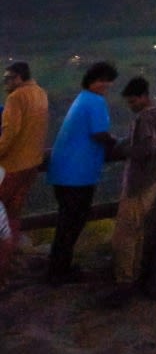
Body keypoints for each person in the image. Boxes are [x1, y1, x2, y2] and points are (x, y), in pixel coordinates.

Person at [47, 60, 118, 283]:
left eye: (108, 81)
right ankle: (59, 272)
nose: (106, 85)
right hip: (77, 173)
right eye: (103, 81)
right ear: (93, 81)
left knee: (67, 221)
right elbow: (99, 133)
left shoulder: (83, 99)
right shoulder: (95, 102)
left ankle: (59, 267)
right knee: (72, 221)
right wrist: (117, 143)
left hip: (64, 170)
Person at [106, 75, 156, 303]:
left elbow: (146, 148)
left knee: (123, 235)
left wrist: (124, 148)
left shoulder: (144, 119)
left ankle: (125, 283)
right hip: (152, 180)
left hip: (138, 184)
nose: (131, 106)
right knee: (137, 231)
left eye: (133, 102)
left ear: (143, 97)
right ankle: (135, 275)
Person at [0, 60, 49, 264]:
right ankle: (6, 267)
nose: (5, 84)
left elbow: (10, 133)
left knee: (2, 218)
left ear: (19, 77)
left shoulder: (16, 97)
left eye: (8, 79)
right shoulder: (40, 93)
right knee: (12, 217)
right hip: (32, 164)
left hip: (12, 165)